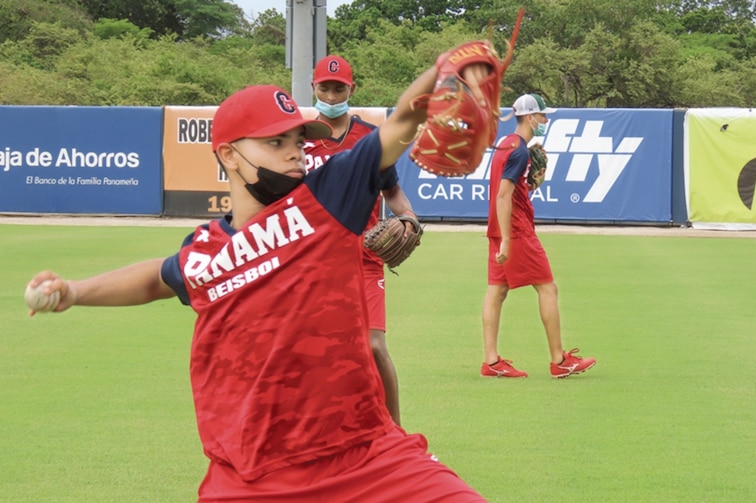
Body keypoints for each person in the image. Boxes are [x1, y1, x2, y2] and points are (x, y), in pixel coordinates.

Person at [26, 48, 492, 501]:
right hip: (251, 478)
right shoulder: (205, 251)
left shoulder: (326, 199)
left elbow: (402, 123)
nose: (295, 154)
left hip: (364, 458)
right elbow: (158, 278)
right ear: (229, 156)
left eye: (297, 142)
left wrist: (441, 71)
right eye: (275, 143)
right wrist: (73, 292)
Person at [305, 54, 414, 425]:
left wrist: (410, 219)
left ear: (353, 89)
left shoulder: (369, 139)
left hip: (363, 257)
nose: (333, 96)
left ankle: (396, 433)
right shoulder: (297, 137)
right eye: (326, 88)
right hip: (313, 262)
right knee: (315, 353)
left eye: (340, 88)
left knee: (373, 344)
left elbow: (393, 193)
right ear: (313, 88)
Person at [481, 93, 596, 379]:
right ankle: (559, 360)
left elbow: (511, 190)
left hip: (498, 227)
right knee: (548, 288)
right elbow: (503, 195)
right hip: (515, 230)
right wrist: (508, 239)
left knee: (497, 291)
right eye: (542, 116)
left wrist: (535, 180)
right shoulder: (519, 150)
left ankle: (491, 362)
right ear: (530, 117)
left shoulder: (506, 145)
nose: (545, 120)